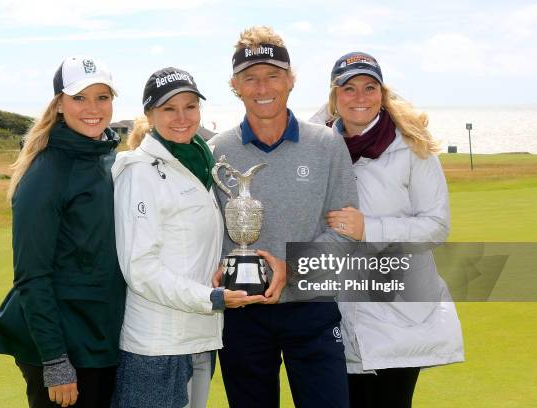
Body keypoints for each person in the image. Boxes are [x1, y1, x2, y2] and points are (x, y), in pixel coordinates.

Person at [208, 26, 358, 408]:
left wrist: (289, 268)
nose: (263, 88)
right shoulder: (215, 151)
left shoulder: (326, 144)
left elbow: (345, 233)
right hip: (242, 314)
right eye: (251, 78)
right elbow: (203, 232)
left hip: (313, 306)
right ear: (235, 85)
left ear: (290, 80)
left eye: (273, 76)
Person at [310, 51, 465, 408]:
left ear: (382, 93)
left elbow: (436, 226)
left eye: (369, 87)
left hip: (399, 311)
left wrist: (370, 228)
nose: (360, 97)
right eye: (348, 89)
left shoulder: (412, 146)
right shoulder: (319, 148)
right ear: (334, 97)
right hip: (338, 311)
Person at [111, 67, 263, 408]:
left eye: (190, 106)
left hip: (199, 338)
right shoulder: (139, 171)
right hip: (156, 346)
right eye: (168, 108)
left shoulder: (199, 164)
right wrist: (212, 297)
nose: (181, 117)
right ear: (150, 115)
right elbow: (141, 269)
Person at [0, 56, 126, 408]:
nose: (92, 108)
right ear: (59, 104)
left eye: (102, 97)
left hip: (102, 338)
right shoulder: (46, 173)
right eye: (79, 98)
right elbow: (32, 276)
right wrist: (55, 361)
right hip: (63, 347)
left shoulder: (107, 157)